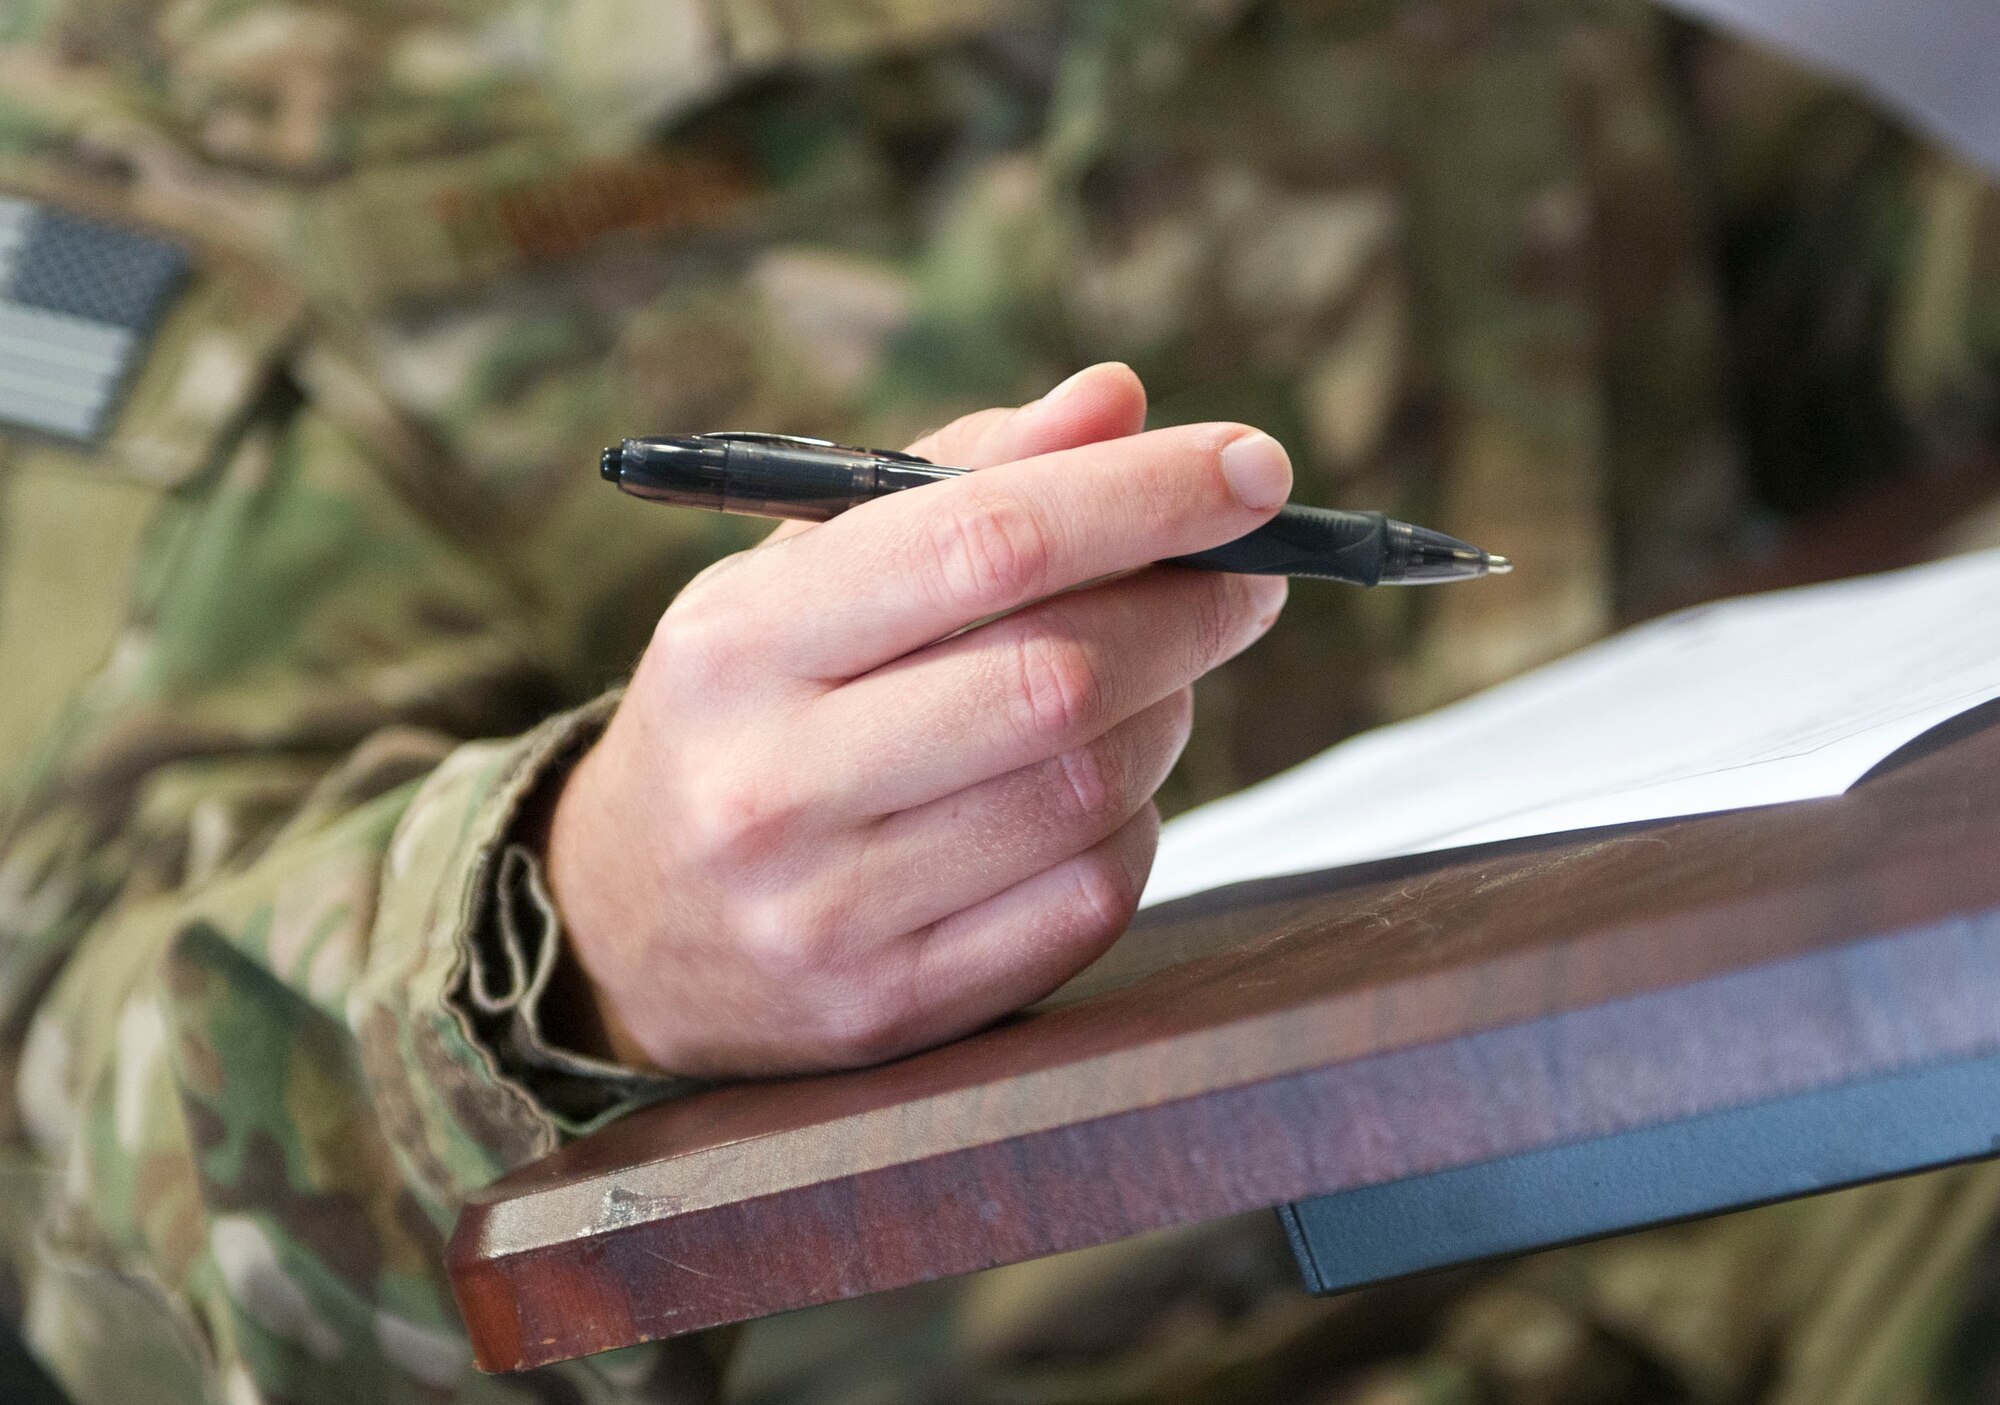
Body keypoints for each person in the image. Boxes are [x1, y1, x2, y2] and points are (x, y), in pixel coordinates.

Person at [0, 1, 1997, 1403]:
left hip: (1771, 1171)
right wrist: (583, 931)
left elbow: (1839, 284)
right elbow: (74, 1177)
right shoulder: (135, 155)